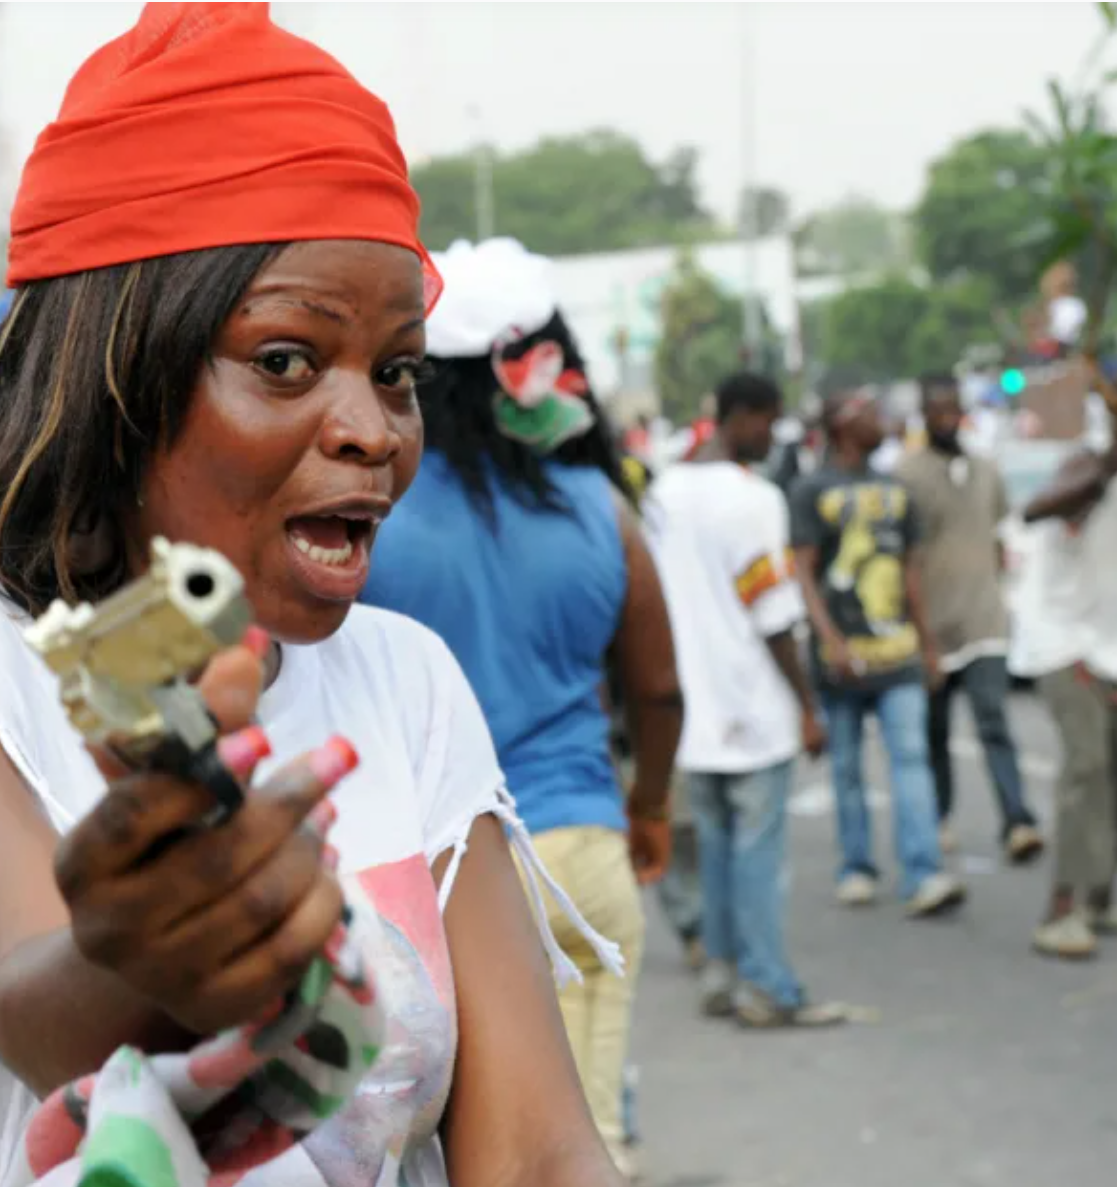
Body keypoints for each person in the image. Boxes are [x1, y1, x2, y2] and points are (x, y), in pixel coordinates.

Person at [0, 7, 628, 1186]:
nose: (373, 430)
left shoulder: (404, 676)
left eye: (397, 371)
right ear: (116, 375)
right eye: (286, 359)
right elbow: (38, 1010)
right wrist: (154, 946)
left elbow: (535, 1153)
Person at [360, 237, 682, 1176]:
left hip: (436, 877)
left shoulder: (370, 515)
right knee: (582, 1140)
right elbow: (656, 691)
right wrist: (649, 807)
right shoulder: (602, 510)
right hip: (583, 841)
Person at [644, 372, 844, 1029]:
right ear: (739, 415)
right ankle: (768, 984)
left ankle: (721, 972)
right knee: (756, 854)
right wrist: (808, 705)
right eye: (768, 420)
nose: (773, 435)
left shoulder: (663, 492)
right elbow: (772, 613)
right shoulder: (753, 499)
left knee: (719, 849)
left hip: (690, 714)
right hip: (752, 707)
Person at [789, 386, 967, 917]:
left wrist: (927, 643)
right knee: (846, 767)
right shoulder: (811, 490)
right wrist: (829, 639)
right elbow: (803, 571)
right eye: (870, 412)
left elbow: (912, 572)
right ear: (843, 424)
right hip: (842, 658)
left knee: (911, 760)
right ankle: (857, 868)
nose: (882, 420)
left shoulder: (897, 490)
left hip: (899, 654)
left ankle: (924, 871)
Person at [1011, 375, 1117, 959]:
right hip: (1064, 645)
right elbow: (1034, 510)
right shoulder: (1086, 465)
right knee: (1088, 767)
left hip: (1114, 649)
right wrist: (1102, 470)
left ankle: (1100, 899)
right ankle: (1059, 911)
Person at [898, 373, 1042, 863]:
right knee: (935, 732)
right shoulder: (906, 474)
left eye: (951, 409)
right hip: (933, 626)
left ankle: (1018, 820)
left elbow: (1000, 538)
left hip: (984, 621)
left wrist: (996, 591)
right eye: (934, 409)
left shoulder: (987, 469)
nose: (945, 417)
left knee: (994, 722)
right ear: (922, 414)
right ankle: (939, 818)